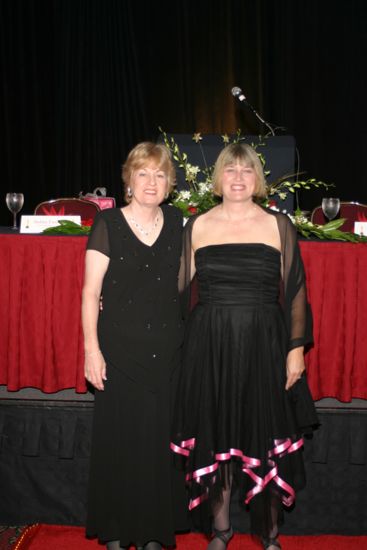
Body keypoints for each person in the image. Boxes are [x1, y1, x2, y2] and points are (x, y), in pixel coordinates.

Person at [171, 143, 318, 550]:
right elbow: (176, 291)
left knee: (264, 432)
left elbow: (297, 292)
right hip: (210, 345)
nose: (238, 177)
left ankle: (269, 535)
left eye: (247, 170)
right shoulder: (196, 226)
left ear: (258, 180)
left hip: (264, 345)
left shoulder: (278, 225)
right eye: (230, 170)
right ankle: (221, 530)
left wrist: (294, 350)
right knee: (215, 433)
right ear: (217, 179)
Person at [82, 142, 187, 550]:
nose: (151, 182)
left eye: (160, 175)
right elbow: (90, 293)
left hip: (168, 352)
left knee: (159, 445)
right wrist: (92, 350)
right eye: (143, 173)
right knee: (121, 442)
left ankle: (155, 533)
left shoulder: (179, 222)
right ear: (128, 180)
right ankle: (117, 530)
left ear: (169, 184)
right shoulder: (107, 224)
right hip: (119, 352)